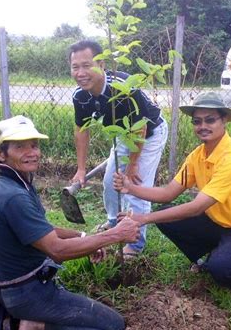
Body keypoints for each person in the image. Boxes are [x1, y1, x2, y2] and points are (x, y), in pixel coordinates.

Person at [0, 115, 140, 330]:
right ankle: (32, 327)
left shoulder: (19, 183)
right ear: (1, 154)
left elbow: (44, 230)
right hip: (26, 293)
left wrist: (85, 238)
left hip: (23, 287)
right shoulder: (14, 196)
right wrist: (115, 234)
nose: (31, 152)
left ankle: (29, 319)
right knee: (114, 327)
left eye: (34, 145)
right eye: (19, 146)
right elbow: (56, 250)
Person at [113, 92, 231, 297]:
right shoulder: (197, 155)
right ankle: (211, 257)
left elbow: (197, 207)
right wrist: (130, 188)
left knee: (223, 269)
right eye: (197, 121)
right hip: (219, 224)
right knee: (167, 217)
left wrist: (143, 218)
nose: (203, 126)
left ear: (224, 120)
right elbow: (168, 193)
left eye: (210, 120)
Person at [69, 39, 168, 259]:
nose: (81, 72)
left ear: (101, 64)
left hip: (150, 134)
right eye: (75, 67)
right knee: (109, 182)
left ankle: (134, 242)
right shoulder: (80, 96)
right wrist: (82, 169)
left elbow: (141, 128)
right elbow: (81, 130)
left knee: (133, 186)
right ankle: (115, 224)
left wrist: (132, 165)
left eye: (87, 65)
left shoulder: (122, 89)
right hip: (125, 135)